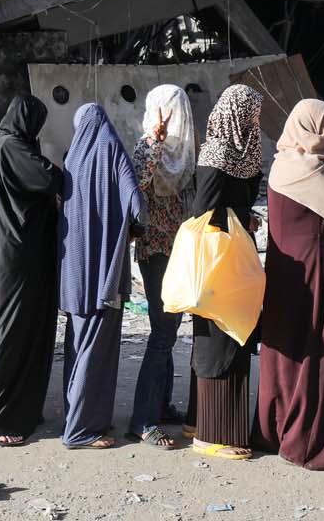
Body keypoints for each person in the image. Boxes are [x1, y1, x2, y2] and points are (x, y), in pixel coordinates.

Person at [256, 98, 324, 470]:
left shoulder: (284, 161)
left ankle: (277, 429)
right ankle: (306, 440)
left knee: (287, 353)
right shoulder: (308, 171)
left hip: (288, 274)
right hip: (316, 274)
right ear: (311, 130)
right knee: (315, 351)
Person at [0, 94, 64, 446]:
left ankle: (16, 408)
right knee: (9, 333)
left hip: (0, 254)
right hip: (14, 258)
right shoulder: (12, 148)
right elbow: (51, 180)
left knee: (10, 331)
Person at [58, 103, 146, 449]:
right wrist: (131, 230)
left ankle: (76, 416)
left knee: (77, 346)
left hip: (73, 273)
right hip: (104, 274)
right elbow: (138, 207)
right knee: (96, 352)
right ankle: (80, 431)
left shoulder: (72, 157)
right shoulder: (112, 149)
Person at [187, 84, 266, 462]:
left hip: (237, 259)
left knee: (237, 338)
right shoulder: (216, 154)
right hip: (218, 263)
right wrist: (241, 218)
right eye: (252, 113)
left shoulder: (245, 152)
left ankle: (205, 424)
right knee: (218, 342)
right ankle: (209, 434)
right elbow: (204, 212)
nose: (256, 121)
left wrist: (245, 216)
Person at [127, 84, 196, 449]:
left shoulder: (185, 151)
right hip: (155, 252)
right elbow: (135, 184)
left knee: (168, 330)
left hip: (179, 250)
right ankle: (143, 421)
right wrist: (155, 139)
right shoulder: (146, 148)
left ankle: (162, 404)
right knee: (162, 334)